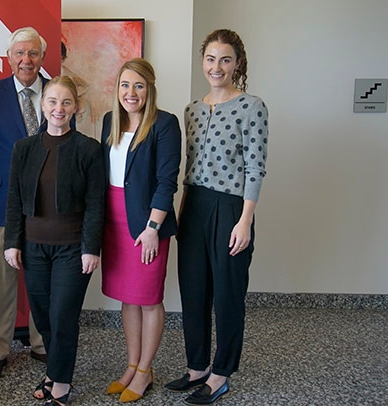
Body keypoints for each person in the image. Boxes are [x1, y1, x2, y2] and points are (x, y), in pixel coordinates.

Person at [164, 29, 269, 406]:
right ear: (202, 62)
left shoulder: (251, 106)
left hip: (231, 208)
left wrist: (245, 220)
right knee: (193, 290)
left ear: (237, 63)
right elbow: (189, 166)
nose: (217, 67)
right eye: (210, 59)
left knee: (227, 294)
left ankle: (221, 373)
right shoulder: (192, 109)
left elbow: (256, 167)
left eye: (225, 59)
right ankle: (196, 368)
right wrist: (183, 206)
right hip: (194, 207)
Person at [4, 76, 105, 405]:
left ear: (75, 107)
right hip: (33, 249)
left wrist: (91, 248)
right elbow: (15, 200)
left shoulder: (89, 149)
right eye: (52, 102)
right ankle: (54, 371)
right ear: (42, 105)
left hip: (72, 251)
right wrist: (12, 242)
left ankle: (60, 381)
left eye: (65, 102)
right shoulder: (24, 148)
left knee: (63, 316)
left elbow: (95, 204)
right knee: (44, 315)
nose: (58, 109)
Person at [100, 58, 181, 403]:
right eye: (125, 85)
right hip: (113, 221)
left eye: (138, 86)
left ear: (149, 89)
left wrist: (152, 228)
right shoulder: (109, 121)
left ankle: (146, 371)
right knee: (127, 298)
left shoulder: (165, 124)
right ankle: (132, 364)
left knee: (148, 299)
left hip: (146, 223)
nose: (130, 93)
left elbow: (167, 182)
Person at [0, 26, 49, 383]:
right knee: (0, 281)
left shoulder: (58, 92)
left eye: (33, 53)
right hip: (1, 203)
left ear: (42, 58)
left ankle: (41, 342)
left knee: (43, 278)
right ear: (9, 57)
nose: (26, 60)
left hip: (47, 208)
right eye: (19, 53)